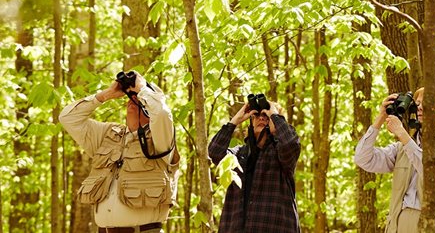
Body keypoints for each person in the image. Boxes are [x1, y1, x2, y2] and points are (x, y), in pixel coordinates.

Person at [59, 72, 179, 233]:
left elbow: (162, 113)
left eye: (140, 99)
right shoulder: (108, 135)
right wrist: (105, 95)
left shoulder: (161, 141)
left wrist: (142, 89)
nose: (134, 100)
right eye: (132, 97)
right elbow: (68, 118)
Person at [353, 88, 435, 233]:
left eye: (427, 103)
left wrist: (402, 133)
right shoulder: (402, 149)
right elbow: (363, 159)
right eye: (418, 103)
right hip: (399, 222)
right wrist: (381, 118)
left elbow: (433, 173)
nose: (420, 107)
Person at [208, 99, 301, 233]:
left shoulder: (281, 155)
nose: (262, 118)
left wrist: (275, 116)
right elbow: (214, 152)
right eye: (256, 115)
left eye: (266, 116)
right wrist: (235, 120)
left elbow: (290, 144)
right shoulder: (238, 154)